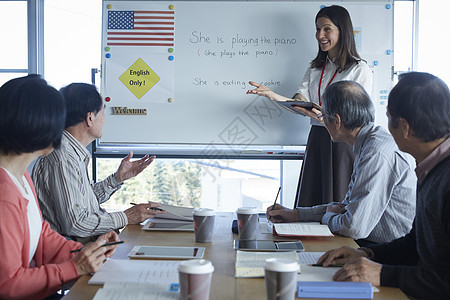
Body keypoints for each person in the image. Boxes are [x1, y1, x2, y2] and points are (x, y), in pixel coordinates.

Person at [317, 72, 450, 299]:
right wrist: (366, 253)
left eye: (388, 118)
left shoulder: (444, 179)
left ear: (405, 128)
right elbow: (414, 244)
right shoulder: (431, 168)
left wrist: (383, 274)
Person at [0, 75, 120, 299]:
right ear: (39, 125)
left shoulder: (21, 175)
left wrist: (83, 253)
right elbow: (7, 285)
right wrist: (75, 267)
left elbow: (41, 233)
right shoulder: (4, 193)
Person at [247, 5, 373, 208]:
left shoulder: (360, 69)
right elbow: (299, 103)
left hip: (343, 145)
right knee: (312, 203)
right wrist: (273, 96)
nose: (320, 35)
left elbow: (359, 118)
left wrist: (323, 115)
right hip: (318, 140)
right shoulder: (315, 68)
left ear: (343, 31)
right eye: (317, 29)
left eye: (326, 29)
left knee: (339, 207)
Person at [267, 81, 416, 245]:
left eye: (323, 116)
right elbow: (346, 207)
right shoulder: (368, 143)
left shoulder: (376, 153)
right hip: (373, 243)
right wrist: (296, 215)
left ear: (336, 121)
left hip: (389, 251)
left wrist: (328, 216)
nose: (323, 122)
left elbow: (353, 226)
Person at [32, 83, 164, 244]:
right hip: (74, 255)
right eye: (103, 110)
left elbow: (83, 202)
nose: (105, 118)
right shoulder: (63, 159)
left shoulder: (71, 152)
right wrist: (126, 217)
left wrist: (116, 179)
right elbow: (76, 223)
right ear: (90, 118)